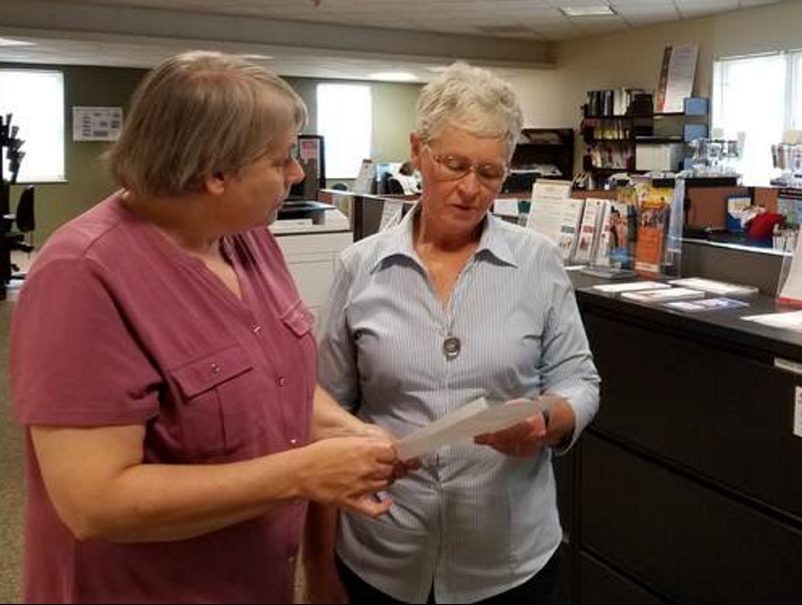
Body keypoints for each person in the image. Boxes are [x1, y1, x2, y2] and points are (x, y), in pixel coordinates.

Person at [10, 51, 399, 604]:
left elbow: (276, 379)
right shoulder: (83, 273)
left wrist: (348, 432)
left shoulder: (245, 235)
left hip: (250, 579)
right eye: (282, 159)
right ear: (215, 172)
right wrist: (301, 475)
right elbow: (95, 500)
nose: (297, 173)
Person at [312, 62, 600, 604]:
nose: (471, 189)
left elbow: (580, 379)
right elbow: (324, 408)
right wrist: (317, 560)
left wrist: (548, 419)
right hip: (385, 551)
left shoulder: (537, 263)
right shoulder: (358, 267)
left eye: (490, 173)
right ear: (418, 150)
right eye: (454, 164)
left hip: (507, 557)